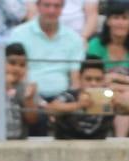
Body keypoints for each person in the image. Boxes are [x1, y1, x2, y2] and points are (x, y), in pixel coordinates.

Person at [9, 0, 86, 131]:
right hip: (29, 93)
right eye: (47, 5)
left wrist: (62, 103)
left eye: (56, 6)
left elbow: (75, 80)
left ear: (62, 8)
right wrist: (42, 103)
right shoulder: (19, 34)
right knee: (35, 112)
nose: (51, 10)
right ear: (38, 6)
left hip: (62, 96)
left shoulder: (74, 38)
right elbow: (17, 73)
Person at [85, 0, 129, 137]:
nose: (120, 23)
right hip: (102, 95)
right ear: (108, 21)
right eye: (115, 18)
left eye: (124, 18)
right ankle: (121, 144)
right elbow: (93, 79)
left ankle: (120, 142)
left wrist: (117, 78)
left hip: (126, 95)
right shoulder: (96, 44)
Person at [46, 57, 129, 139]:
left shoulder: (108, 95)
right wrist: (78, 105)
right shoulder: (70, 95)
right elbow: (51, 108)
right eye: (88, 79)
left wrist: (119, 102)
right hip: (68, 145)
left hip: (99, 147)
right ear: (80, 78)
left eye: (98, 79)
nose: (93, 83)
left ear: (104, 80)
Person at [25, 0, 97, 42]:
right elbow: (32, 13)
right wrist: (37, 36)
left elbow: (92, 15)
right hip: (42, 34)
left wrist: (83, 38)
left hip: (78, 35)